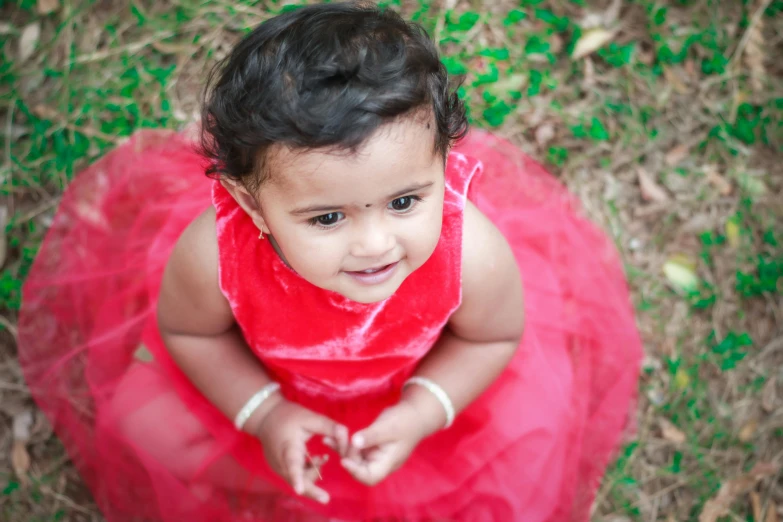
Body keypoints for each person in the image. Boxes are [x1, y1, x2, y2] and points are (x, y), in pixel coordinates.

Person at [18, 2, 643, 521]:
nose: (374, 244)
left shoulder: (470, 253)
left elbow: (493, 338)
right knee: (137, 419)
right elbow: (189, 332)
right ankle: (250, 484)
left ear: (443, 167)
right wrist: (263, 413)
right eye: (327, 217)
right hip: (264, 382)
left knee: (527, 430)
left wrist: (422, 412)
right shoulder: (216, 256)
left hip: (413, 386)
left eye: (404, 200)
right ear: (251, 203)